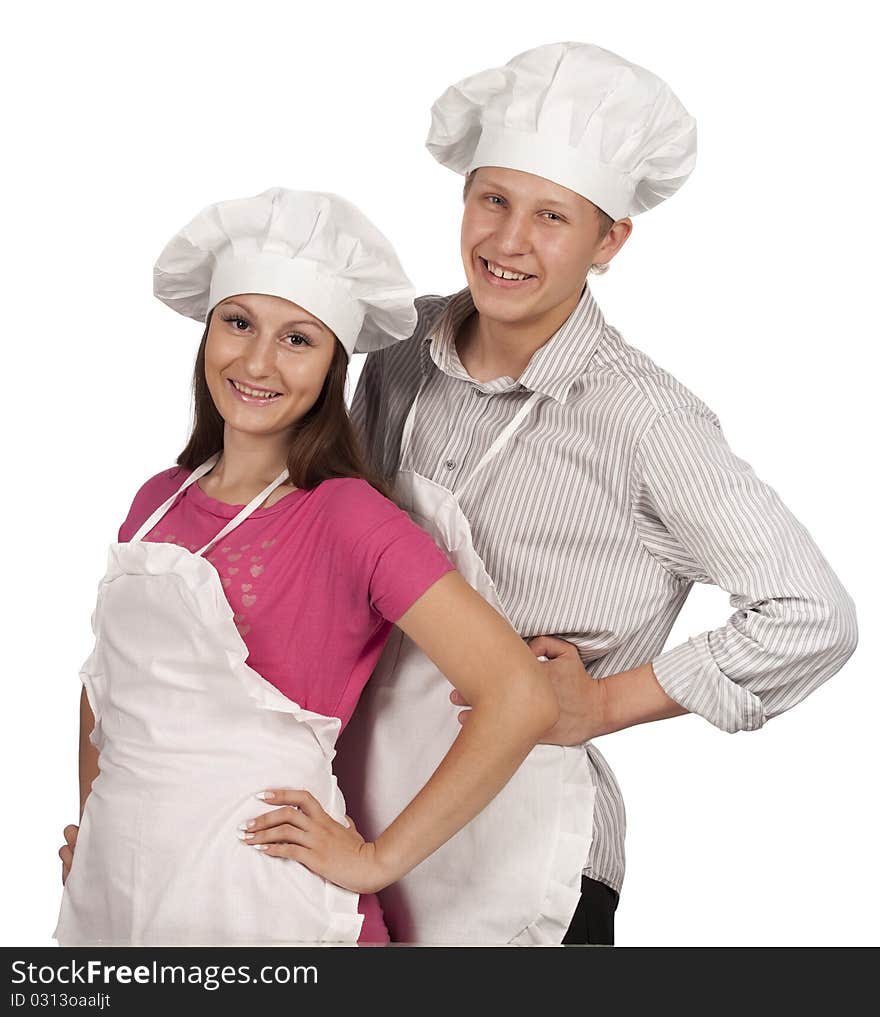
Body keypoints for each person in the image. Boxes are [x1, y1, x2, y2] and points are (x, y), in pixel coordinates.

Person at [335, 42, 859, 945]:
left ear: (609, 240)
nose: (507, 241)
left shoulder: (642, 417)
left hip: (525, 846)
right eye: (493, 198)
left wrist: (604, 704)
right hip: (363, 815)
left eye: (552, 216)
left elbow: (813, 612)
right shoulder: (393, 349)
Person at [54, 187, 562, 946]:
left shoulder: (346, 517)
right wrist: (100, 820)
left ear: (333, 365)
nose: (258, 361)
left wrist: (375, 860)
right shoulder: (157, 501)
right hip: (125, 903)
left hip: (271, 907)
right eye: (239, 323)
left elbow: (518, 695)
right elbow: (106, 692)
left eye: (298, 339)